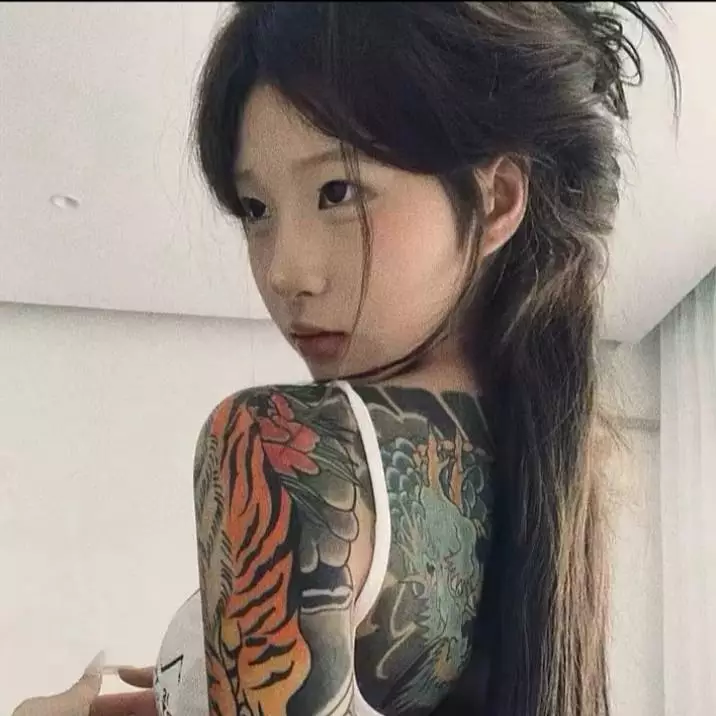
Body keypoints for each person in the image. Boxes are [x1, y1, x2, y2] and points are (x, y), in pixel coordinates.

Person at [14, 2, 680, 715]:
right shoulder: (549, 471)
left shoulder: (286, 448)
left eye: (338, 192)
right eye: (256, 209)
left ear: (496, 200)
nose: (285, 272)